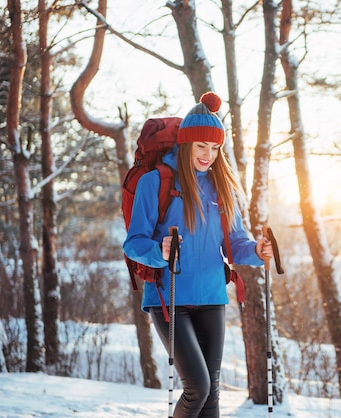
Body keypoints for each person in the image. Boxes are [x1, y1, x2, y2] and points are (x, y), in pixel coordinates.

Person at [123, 91, 273, 418]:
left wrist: (258, 252)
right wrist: (159, 251)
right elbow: (133, 243)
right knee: (197, 388)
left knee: (212, 394)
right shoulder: (156, 182)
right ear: (186, 143)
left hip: (212, 296)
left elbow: (235, 244)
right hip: (168, 297)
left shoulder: (223, 189)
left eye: (215, 148)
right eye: (201, 146)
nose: (208, 155)